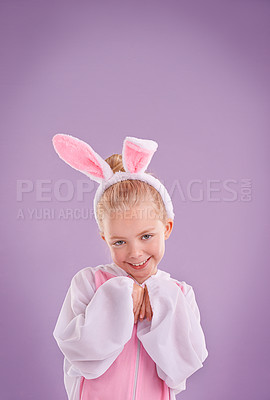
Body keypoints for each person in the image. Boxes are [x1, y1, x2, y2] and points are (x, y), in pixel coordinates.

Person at [52, 134, 208, 400]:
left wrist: (163, 301)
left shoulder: (180, 293)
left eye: (146, 236)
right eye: (120, 241)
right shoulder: (89, 283)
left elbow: (182, 366)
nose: (135, 253)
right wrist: (116, 297)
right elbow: (79, 352)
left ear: (166, 228)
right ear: (105, 237)